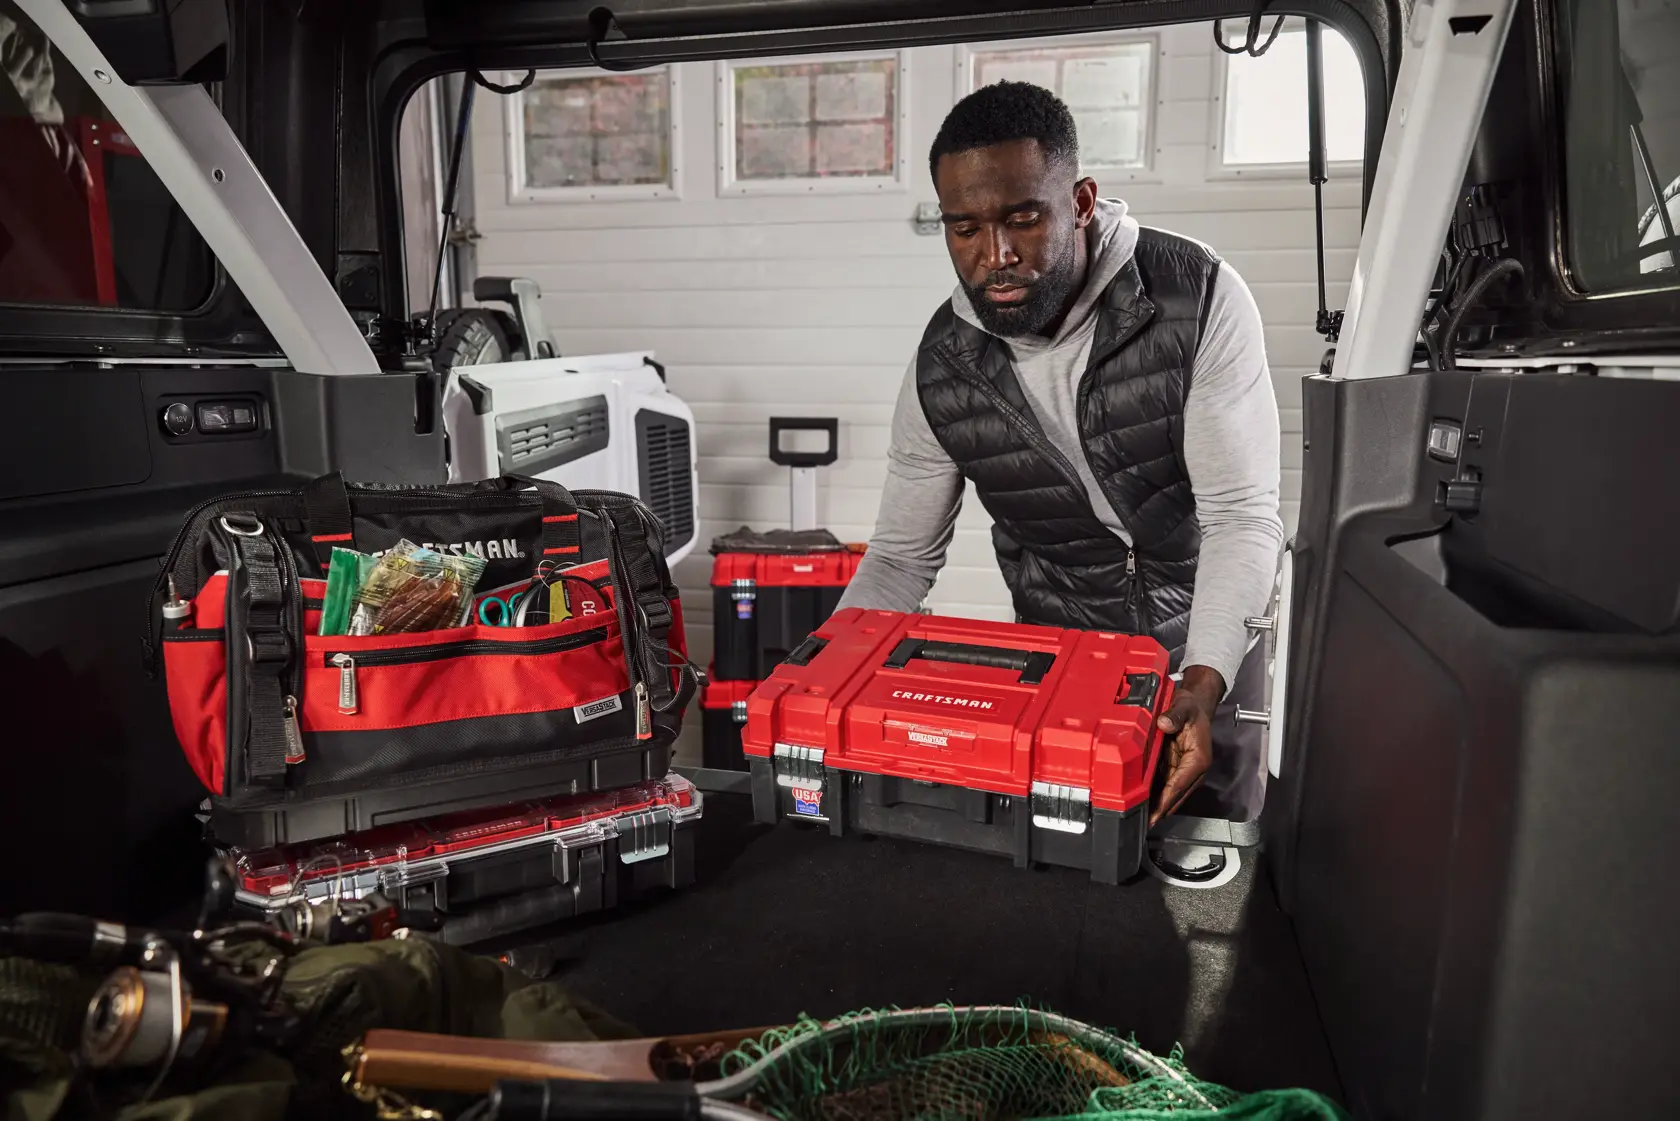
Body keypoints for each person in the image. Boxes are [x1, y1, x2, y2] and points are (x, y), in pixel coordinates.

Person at [836, 81, 1284, 825]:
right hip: (1063, 675)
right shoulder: (942, 368)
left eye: (1022, 219)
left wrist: (1204, 682)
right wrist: (823, 674)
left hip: (1207, 655)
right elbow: (899, 558)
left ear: (1078, 202)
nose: (996, 256)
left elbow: (1241, 517)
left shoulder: (1198, 297)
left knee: (1214, 876)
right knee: (1066, 893)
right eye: (965, 229)